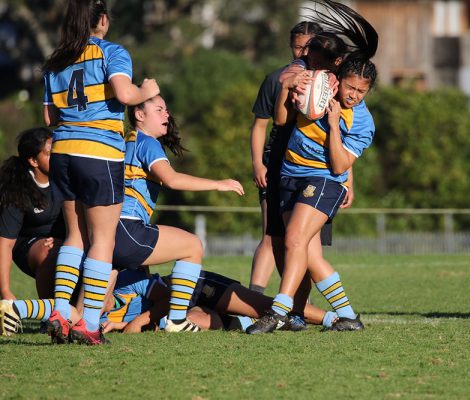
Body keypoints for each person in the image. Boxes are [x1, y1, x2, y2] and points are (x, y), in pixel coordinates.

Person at [247, 0, 378, 334]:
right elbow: (279, 119)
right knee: (307, 254)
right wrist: (290, 88)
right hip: (290, 173)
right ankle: (348, 316)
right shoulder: (316, 86)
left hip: (324, 180)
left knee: (293, 241)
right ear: (339, 78)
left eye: (361, 91)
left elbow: (339, 163)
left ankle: (279, 310)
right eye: (350, 87)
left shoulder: (361, 123)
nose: (354, 95)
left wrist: (334, 126)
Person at [42, 0, 160, 345]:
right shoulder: (112, 51)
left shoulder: (55, 61)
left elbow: (50, 120)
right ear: (103, 20)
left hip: (62, 152)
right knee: (102, 240)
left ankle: (62, 313)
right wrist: (148, 91)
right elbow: (125, 94)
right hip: (99, 153)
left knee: (74, 236)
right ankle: (89, 323)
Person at [111, 95, 244, 333]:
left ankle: (34, 311)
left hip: (109, 230)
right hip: (127, 228)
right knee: (192, 246)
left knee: (90, 308)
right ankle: (177, 320)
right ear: (139, 115)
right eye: (159, 109)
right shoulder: (147, 142)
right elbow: (171, 179)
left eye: (167, 110)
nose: (167, 115)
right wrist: (218, 184)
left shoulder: (125, 141)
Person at [249, 21, 324, 295]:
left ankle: (296, 305)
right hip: (278, 162)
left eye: (309, 46)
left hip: (315, 166)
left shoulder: (328, 81)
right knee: (272, 236)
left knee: (307, 241)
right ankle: (253, 298)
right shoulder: (276, 79)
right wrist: (258, 163)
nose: (303, 52)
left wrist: (347, 176)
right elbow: (260, 126)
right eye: (297, 46)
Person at [99, 267, 338, 334]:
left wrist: (137, 322)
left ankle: (335, 319)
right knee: (205, 325)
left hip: (193, 287)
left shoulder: (124, 280)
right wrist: (123, 325)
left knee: (265, 307)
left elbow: (171, 297)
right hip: (178, 317)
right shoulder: (93, 317)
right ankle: (248, 325)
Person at [0, 128, 64, 302]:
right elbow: (5, 244)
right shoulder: (17, 188)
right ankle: (48, 315)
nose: (57, 157)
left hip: (66, 241)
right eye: (50, 154)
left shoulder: (67, 178)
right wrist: (5, 291)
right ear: (34, 161)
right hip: (30, 245)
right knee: (48, 252)